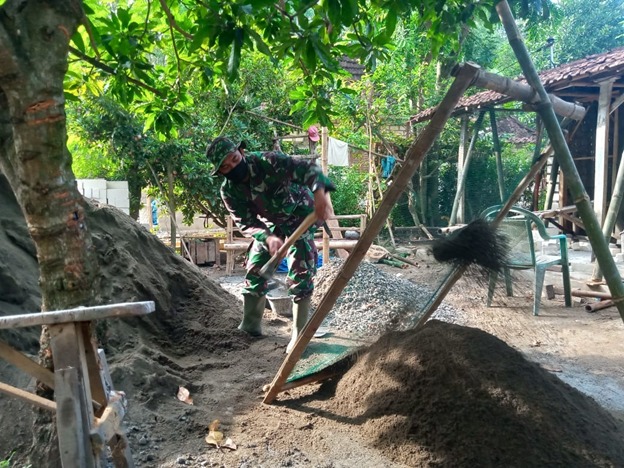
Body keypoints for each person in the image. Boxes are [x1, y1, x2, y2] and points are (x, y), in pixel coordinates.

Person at [206, 137, 335, 352]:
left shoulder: (269, 161)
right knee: (256, 266)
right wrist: (268, 238)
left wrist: (321, 194)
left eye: (235, 159)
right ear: (220, 172)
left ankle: (299, 333)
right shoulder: (229, 191)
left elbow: (308, 170)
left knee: (300, 270)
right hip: (272, 224)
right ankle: (250, 325)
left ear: (242, 152)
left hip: (302, 216)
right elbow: (246, 223)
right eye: (226, 167)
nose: (233, 167)